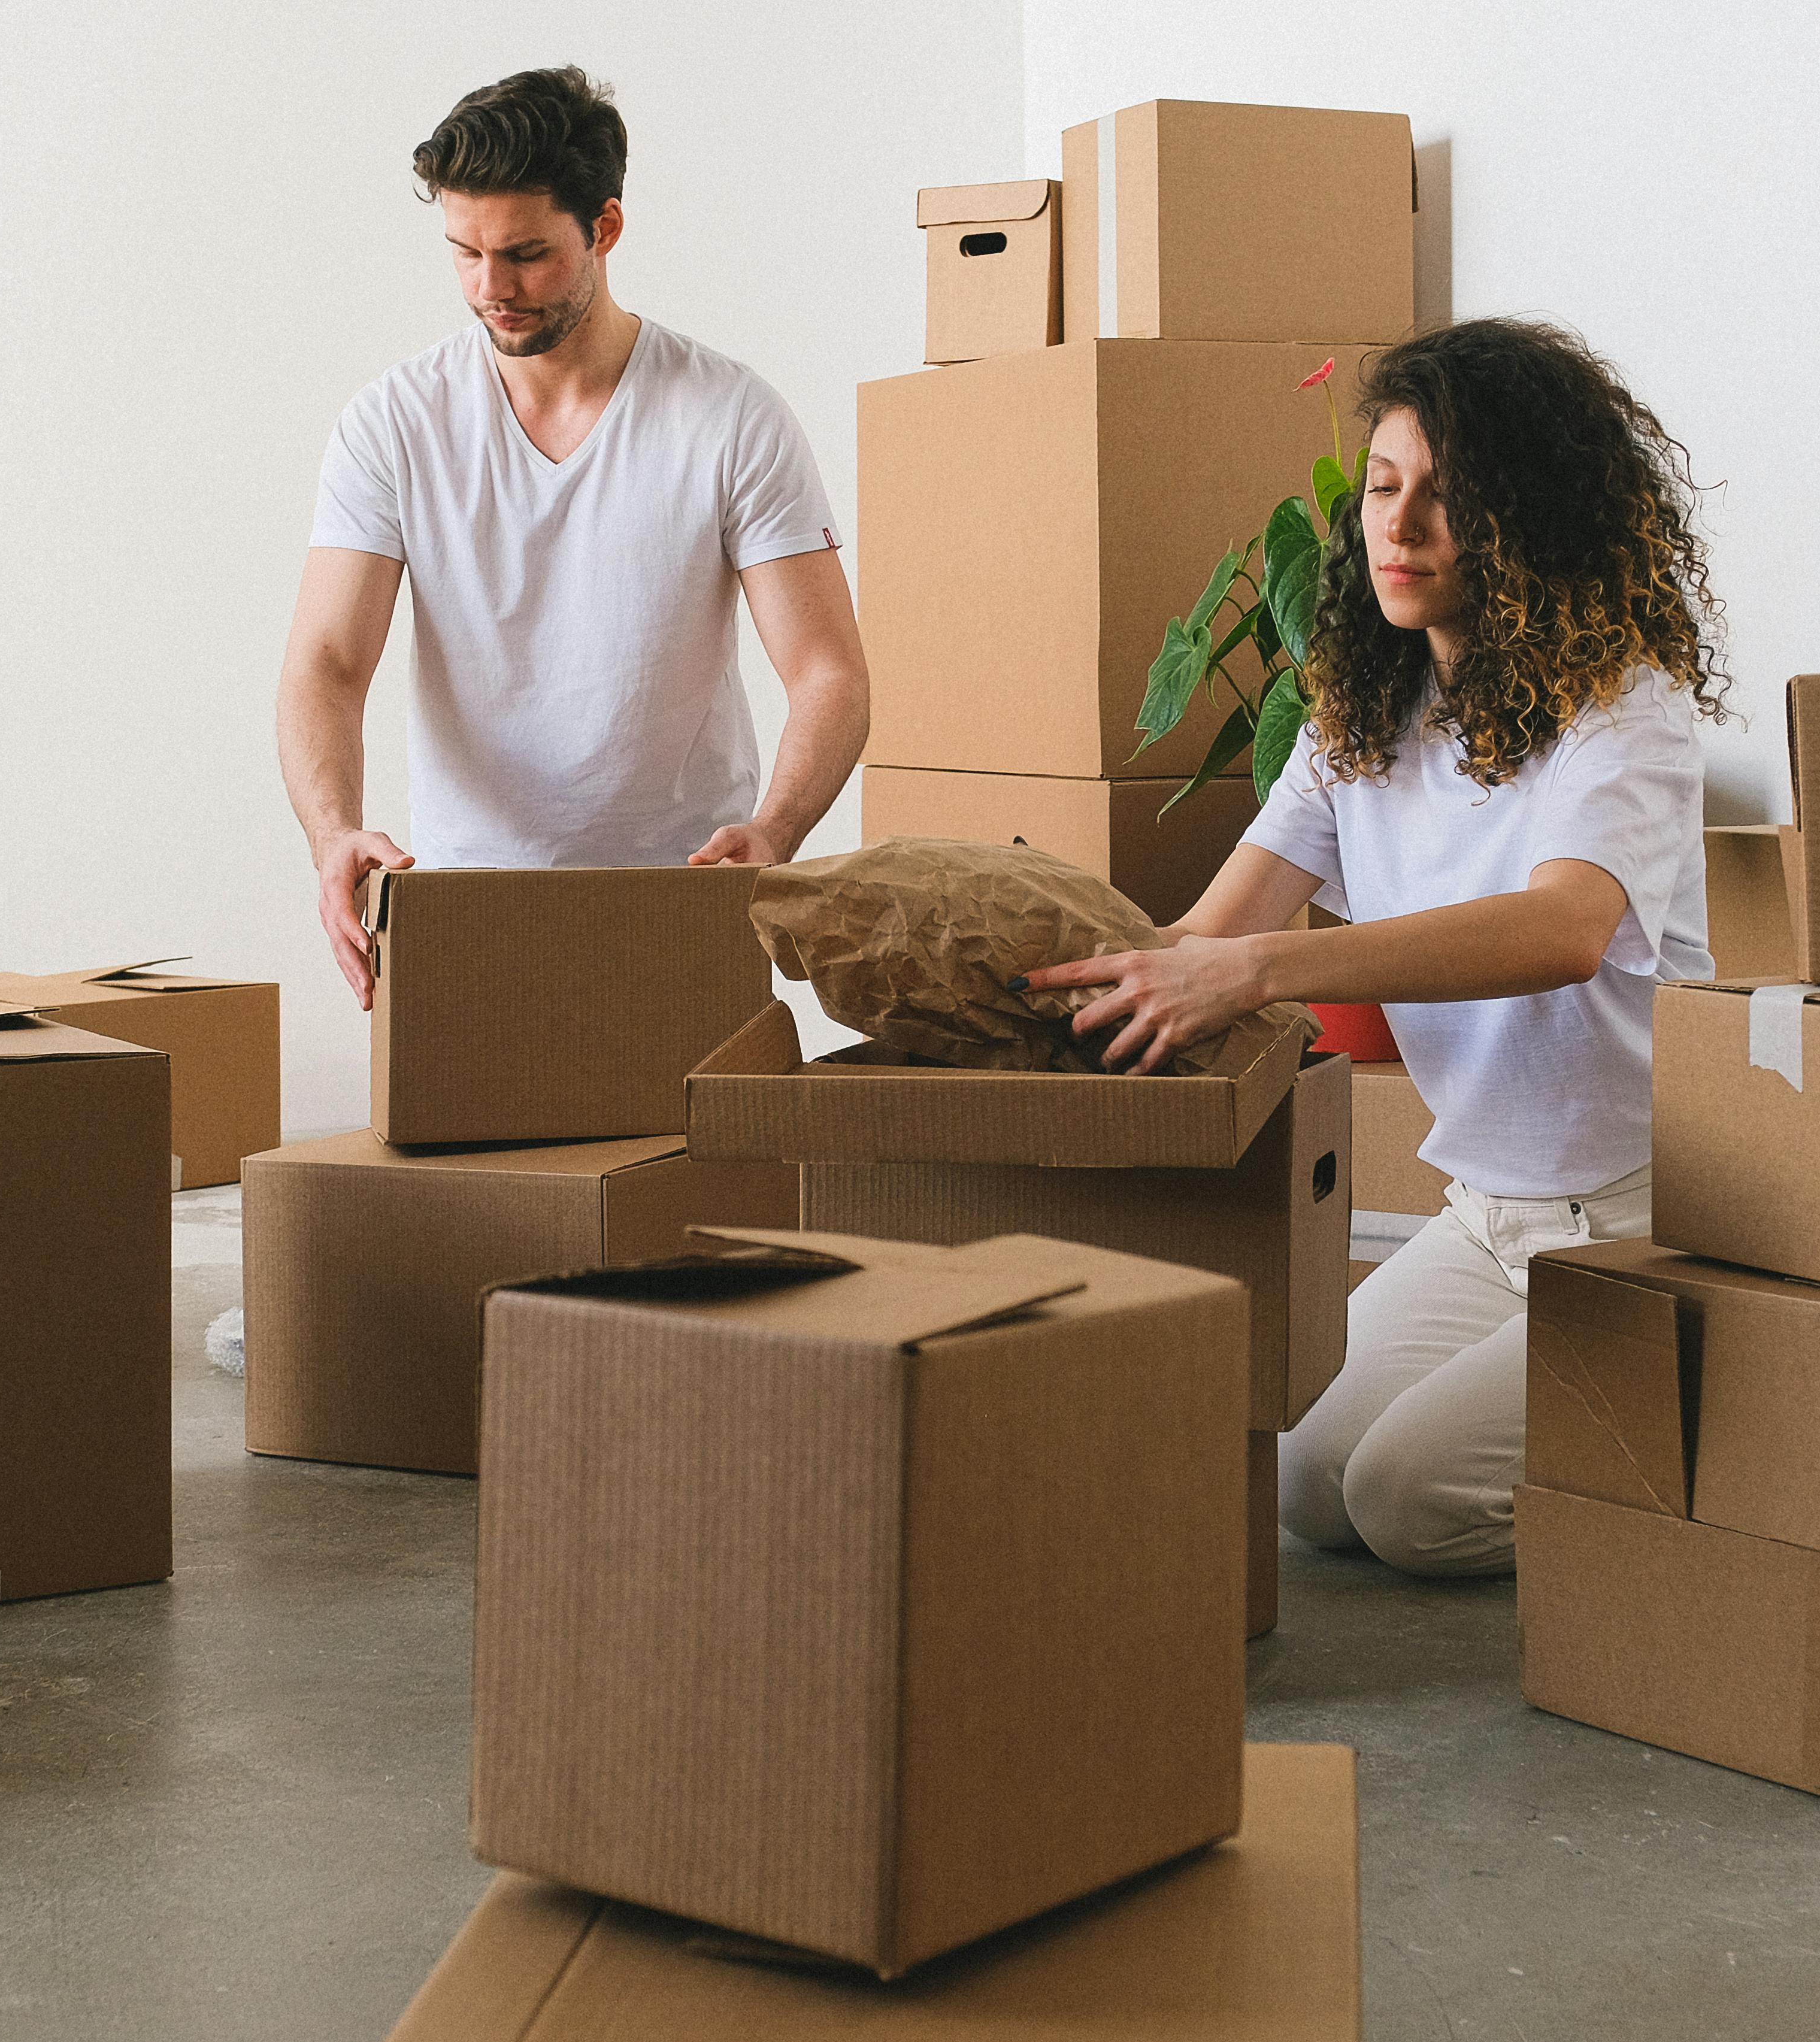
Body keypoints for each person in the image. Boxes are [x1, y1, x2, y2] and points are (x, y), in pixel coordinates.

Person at [1023, 317, 1723, 1579]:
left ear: (1532, 524)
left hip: (1644, 1221)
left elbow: (1567, 928)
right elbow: (1204, 934)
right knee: (1305, 1476)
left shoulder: (1626, 709)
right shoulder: (1358, 715)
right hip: (1483, 1218)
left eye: (1448, 502)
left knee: (1410, 1503)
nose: (1398, 531)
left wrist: (1263, 973)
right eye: (1386, 490)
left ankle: (1726, 1453)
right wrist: (1030, 965)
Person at [278, 64, 871, 1004]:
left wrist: (775, 832)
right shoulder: (392, 422)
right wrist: (332, 834)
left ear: (605, 227)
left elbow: (828, 670)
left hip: (681, 892)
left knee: (689, 1151)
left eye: (524, 254)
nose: (490, 288)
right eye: (465, 253)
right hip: (463, 897)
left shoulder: (730, 417)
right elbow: (326, 661)